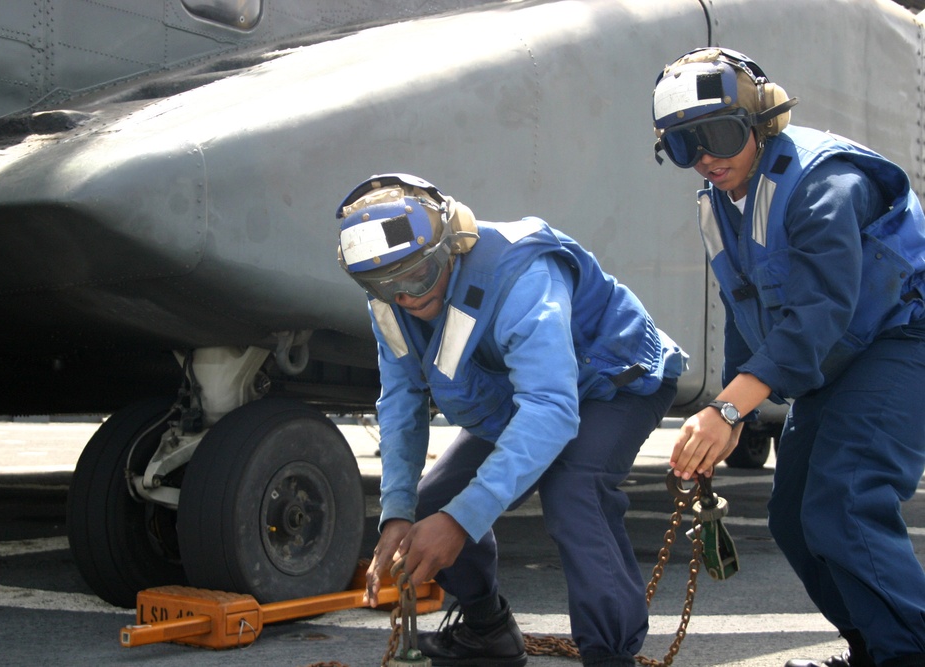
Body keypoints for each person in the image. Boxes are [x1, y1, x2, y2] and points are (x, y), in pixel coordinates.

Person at [335, 173, 686, 667]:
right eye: (380, 285)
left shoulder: (523, 275)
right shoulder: (391, 296)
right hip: (523, 398)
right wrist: (397, 510)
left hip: (612, 385)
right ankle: (488, 630)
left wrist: (462, 521)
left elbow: (551, 407)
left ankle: (610, 656)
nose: (404, 298)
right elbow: (400, 398)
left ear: (451, 244)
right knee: (430, 503)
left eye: (415, 278)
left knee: (574, 489)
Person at [652, 47, 925, 667]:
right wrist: (732, 415)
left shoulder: (825, 183)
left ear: (761, 119)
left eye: (717, 135)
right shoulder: (721, 200)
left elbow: (819, 311)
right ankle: (874, 649)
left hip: (902, 340)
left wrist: (725, 410)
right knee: (795, 518)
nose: (705, 158)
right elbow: (748, 308)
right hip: (840, 358)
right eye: (682, 145)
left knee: (846, 499)